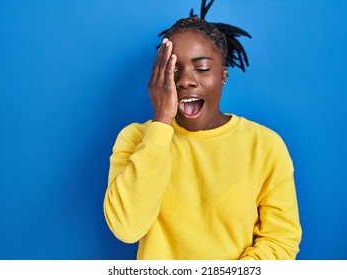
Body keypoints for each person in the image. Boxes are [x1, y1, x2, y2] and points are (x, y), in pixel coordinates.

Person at [104, 0, 302, 260]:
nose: (185, 80)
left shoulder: (265, 146)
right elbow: (126, 228)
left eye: (202, 68)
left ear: (223, 75)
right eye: (172, 71)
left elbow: (280, 241)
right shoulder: (136, 138)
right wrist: (162, 122)